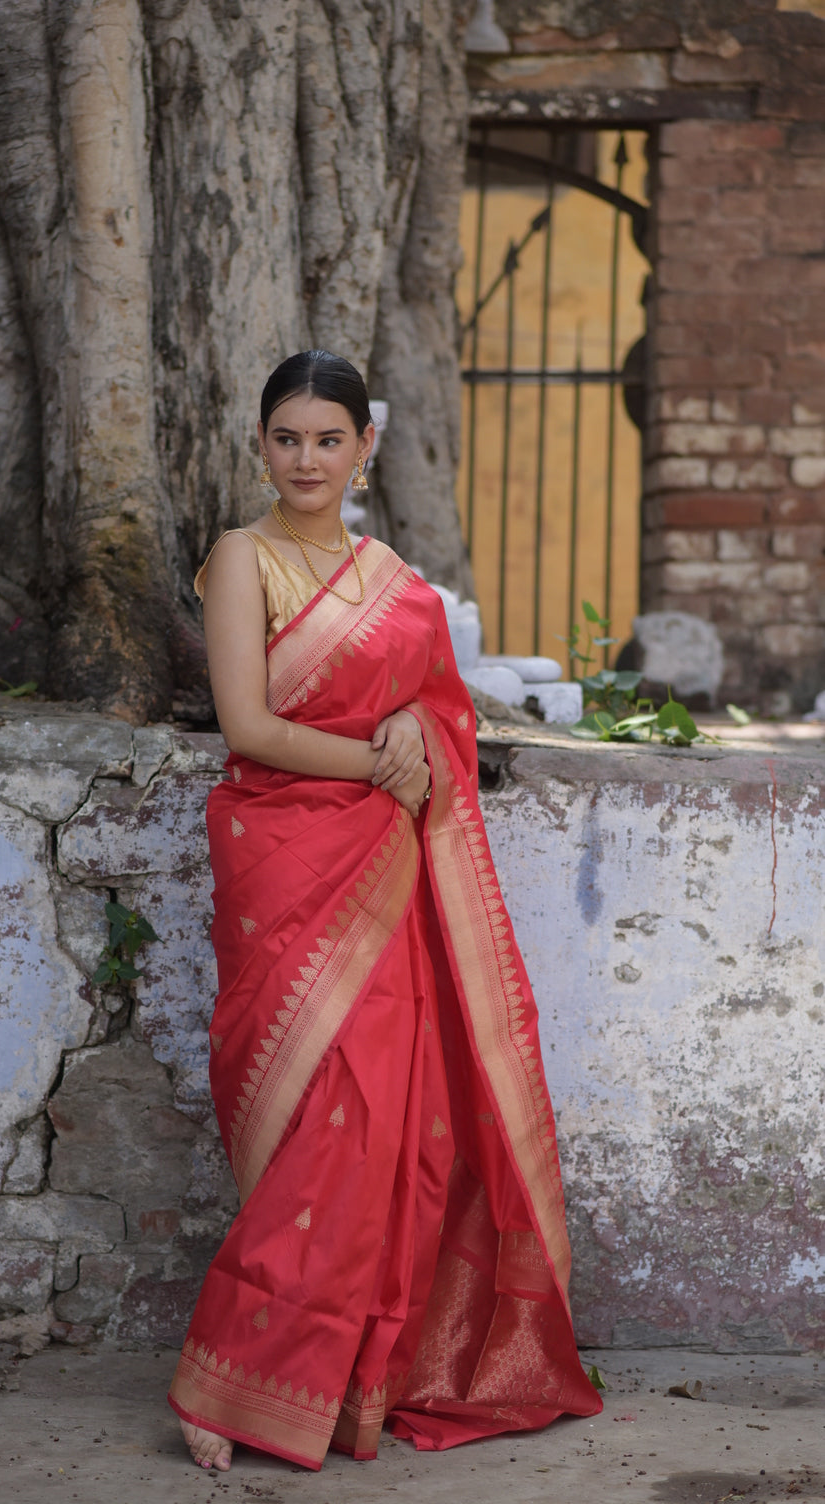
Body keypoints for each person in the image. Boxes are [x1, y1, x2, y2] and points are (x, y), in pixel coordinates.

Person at [168, 351, 602, 1473]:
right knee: (321, 1123)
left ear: (366, 447)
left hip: (385, 867)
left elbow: (426, 699)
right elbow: (250, 727)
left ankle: (361, 1374)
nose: (305, 459)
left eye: (327, 439)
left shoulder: (397, 584)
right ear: (257, 445)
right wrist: (379, 754)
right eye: (284, 438)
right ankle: (229, 1378)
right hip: (287, 861)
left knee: (379, 1134)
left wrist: (415, 723)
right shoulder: (239, 560)